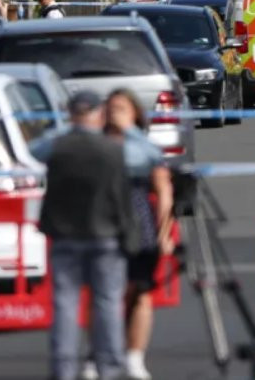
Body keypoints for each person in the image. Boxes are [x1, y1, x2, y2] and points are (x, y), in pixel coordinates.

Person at [35, 90, 137, 380]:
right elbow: (126, 188)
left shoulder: (57, 146)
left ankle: (63, 368)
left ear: (70, 113)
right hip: (105, 234)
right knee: (107, 302)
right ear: (99, 112)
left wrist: (64, 130)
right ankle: (110, 367)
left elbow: (29, 152)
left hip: (65, 234)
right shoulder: (113, 148)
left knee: (65, 303)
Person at [97, 90, 174, 380]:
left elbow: (163, 189)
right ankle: (100, 355)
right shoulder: (96, 143)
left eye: (121, 108)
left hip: (139, 223)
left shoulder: (145, 147)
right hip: (102, 224)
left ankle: (134, 356)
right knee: (105, 294)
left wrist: (164, 232)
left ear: (135, 114)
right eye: (110, 108)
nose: (114, 113)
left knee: (140, 292)